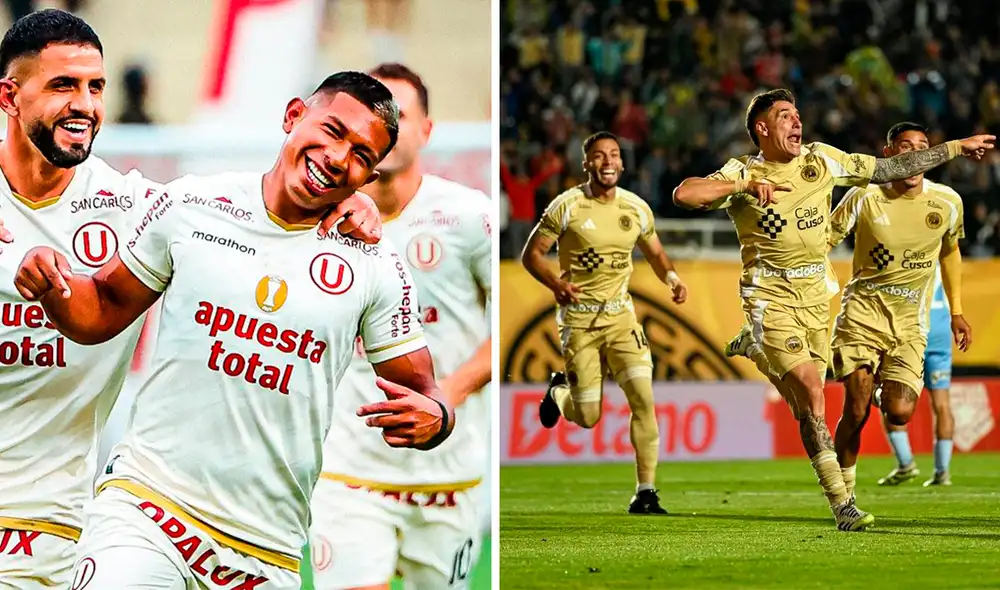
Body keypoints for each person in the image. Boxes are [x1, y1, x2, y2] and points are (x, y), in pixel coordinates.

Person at [14, 71, 453, 589]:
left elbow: (423, 390)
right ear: (294, 116)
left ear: (369, 177)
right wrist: (54, 287)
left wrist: (437, 419)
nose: (339, 157)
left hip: (266, 547)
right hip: (147, 510)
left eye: (361, 154)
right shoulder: (192, 204)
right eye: (333, 131)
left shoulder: (376, 263)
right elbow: (104, 308)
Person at [672, 88, 992, 531]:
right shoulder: (742, 170)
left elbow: (889, 168)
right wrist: (743, 187)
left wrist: (955, 147)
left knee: (806, 405)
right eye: (784, 116)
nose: (796, 121)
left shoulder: (822, 159)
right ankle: (843, 504)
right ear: (761, 128)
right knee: (813, 393)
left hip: (817, 300)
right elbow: (685, 194)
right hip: (771, 297)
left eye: (797, 114)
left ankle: (756, 348)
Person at [309, 63, 492, 589]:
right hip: (347, 475)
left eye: (400, 117)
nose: (385, 130)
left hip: (449, 478)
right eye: (373, 118)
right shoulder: (317, 220)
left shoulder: (466, 216)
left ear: (427, 130)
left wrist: (449, 395)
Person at [521, 131, 688, 515]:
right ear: (587, 164)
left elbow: (656, 253)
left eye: (614, 154)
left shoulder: (636, 208)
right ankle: (558, 392)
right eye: (599, 155)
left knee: (643, 399)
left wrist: (672, 278)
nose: (608, 161)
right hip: (579, 322)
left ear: (622, 163)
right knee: (588, 416)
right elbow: (532, 255)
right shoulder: (567, 206)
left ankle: (645, 492)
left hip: (621, 318)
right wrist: (557, 285)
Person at [827, 121, 969, 503]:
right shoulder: (864, 196)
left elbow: (950, 252)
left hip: (910, 323)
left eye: (923, 147)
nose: (916, 154)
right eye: (906, 147)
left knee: (900, 411)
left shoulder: (947, 202)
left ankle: (881, 392)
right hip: (862, 315)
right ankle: (843, 498)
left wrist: (956, 311)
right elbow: (823, 240)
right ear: (889, 154)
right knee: (855, 409)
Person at [877, 266, 957, 487]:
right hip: (940, 330)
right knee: (942, 404)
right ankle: (942, 472)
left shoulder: (907, 256)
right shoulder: (943, 258)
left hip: (912, 330)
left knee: (890, 395)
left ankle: (905, 464)